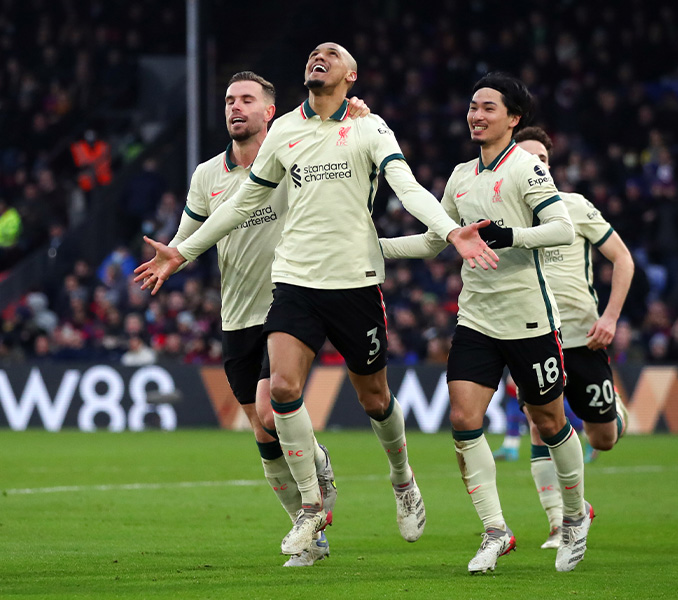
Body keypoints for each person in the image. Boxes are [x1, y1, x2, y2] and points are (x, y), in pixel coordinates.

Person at [134, 43, 497, 559]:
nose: (318, 56)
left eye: (331, 53)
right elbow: (242, 201)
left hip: (354, 282)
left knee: (375, 399)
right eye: (313, 53)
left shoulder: (370, 128)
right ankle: (311, 508)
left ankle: (402, 478)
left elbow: (408, 186)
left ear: (351, 74)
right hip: (294, 282)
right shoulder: (285, 131)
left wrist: (450, 229)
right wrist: (183, 251)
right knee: (279, 392)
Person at [161, 71, 375, 566]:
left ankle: (314, 492)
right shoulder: (207, 175)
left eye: (246, 100)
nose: (235, 107)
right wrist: (170, 256)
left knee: (268, 404)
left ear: (269, 112)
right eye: (229, 100)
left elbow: (338, 144)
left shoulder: (294, 157)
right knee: (261, 429)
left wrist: (355, 116)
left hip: (290, 303)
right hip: (236, 313)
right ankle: (312, 532)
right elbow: (189, 236)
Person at [380, 73, 591, 574]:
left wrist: (508, 235)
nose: (476, 115)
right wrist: (372, 247)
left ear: (513, 118)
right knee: (463, 419)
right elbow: (434, 241)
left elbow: (562, 230)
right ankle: (496, 530)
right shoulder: (460, 176)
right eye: (473, 106)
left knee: (549, 422)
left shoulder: (526, 168)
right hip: (476, 318)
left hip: (529, 318)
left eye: (488, 108)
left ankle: (574, 516)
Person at [514, 126, 634, 549]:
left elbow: (623, 259)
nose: (537, 165)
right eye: (528, 159)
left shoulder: (575, 206)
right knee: (538, 423)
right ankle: (559, 521)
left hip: (585, 338)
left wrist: (611, 317)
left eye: (543, 160)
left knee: (603, 439)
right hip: (532, 336)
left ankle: (615, 411)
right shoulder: (504, 215)